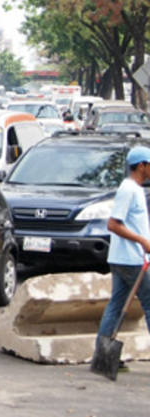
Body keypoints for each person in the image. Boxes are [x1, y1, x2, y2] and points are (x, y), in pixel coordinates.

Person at [93, 145, 150, 367]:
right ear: (142, 166)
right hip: (131, 259)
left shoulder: (134, 189)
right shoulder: (129, 190)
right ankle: (103, 354)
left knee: (116, 304)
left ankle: (104, 357)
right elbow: (113, 224)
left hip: (124, 258)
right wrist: (143, 241)